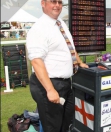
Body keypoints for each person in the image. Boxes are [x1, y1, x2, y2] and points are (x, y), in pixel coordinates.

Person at [26, 0, 89, 132]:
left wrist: (79, 62)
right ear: (43, 3)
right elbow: (37, 61)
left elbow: (69, 47)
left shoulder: (60, 24)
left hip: (65, 84)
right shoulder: (39, 28)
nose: (57, 5)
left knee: (65, 124)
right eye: (53, 1)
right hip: (49, 84)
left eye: (60, 2)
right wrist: (50, 90)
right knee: (53, 127)